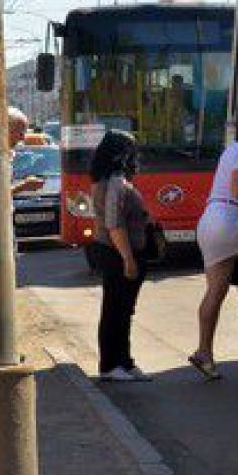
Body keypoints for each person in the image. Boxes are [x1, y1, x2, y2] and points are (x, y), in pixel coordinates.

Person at [87, 130, 152, 382]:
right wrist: (128, 259)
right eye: (131, 151)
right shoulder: (115, 182)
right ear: (121, 154)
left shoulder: (108, 179)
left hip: (116, 251)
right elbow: (115, 225)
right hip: (117, 253)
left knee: (123, 310)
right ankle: (110, 366)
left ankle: (124, 362)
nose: (135, 157)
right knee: (116, 310)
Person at [189, 112, 238, 381]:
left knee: (214, 291)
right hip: (231, 219)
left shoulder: (230, 149)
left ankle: (204, 350)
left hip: (211, 218)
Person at [8, 107, 44, 196]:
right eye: (20, 133)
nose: (23, 138)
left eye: (24, 133)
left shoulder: (9, 154)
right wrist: (23, 186)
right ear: (6, 130)